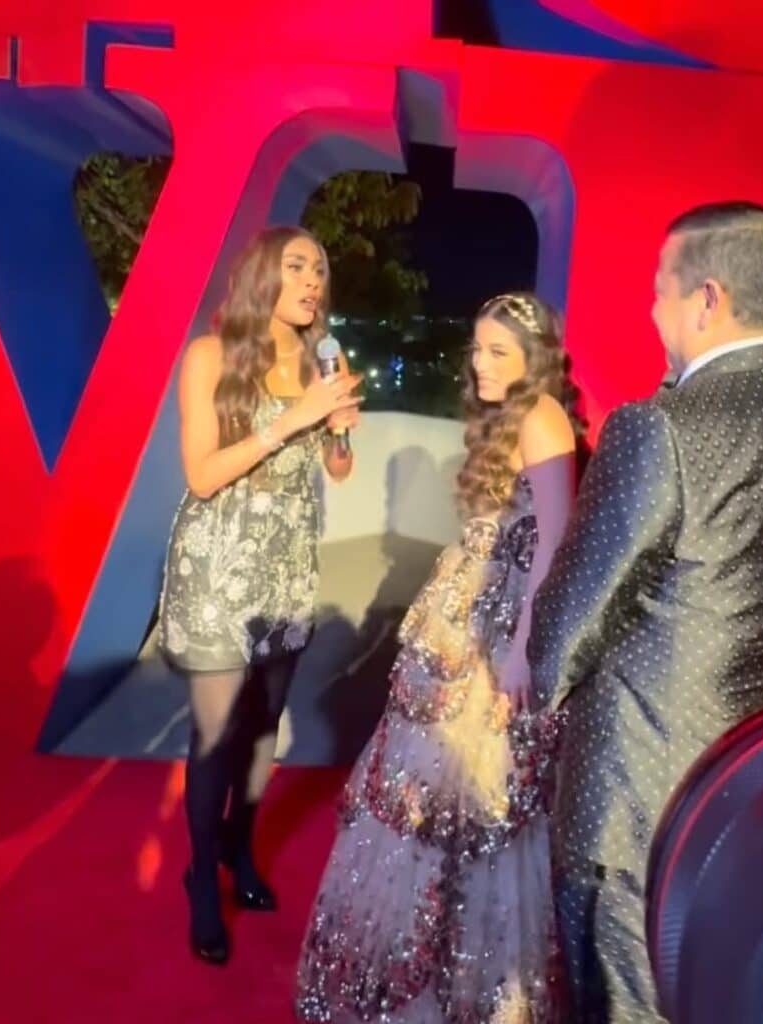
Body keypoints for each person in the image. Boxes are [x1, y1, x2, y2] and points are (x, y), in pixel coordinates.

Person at [528, 202, 763, 1022]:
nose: (652, 311)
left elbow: (568, 623)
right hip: (756, 789)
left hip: (636, 801)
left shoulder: (659, 427)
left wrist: (539, 696)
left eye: (659, 290)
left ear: (707, 299)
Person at [295, 293, 579, 1022]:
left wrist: (523, 652)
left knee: (480, 802)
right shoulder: (505, 416)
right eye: (477, 348)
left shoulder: (542, 417)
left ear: (534, 358)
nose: (480, 363)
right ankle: (421, 981)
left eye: (498, 352)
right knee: (425, 804)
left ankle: (469, 991)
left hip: (498, 637)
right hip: (460, 620)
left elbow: (554, 545)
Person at [158, 226, 362, 965]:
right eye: (297, 265)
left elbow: (337, 469)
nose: (313, 280)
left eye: (320, 269)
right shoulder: (210, 355)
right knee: (216, 733)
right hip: (218, 564)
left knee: (264, 725)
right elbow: (202, 475)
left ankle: (238, 850)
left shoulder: (320, 359)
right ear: (260, 275)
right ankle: (200, 880)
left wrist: (338, 432)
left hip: (286, 562)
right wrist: (293, 420)